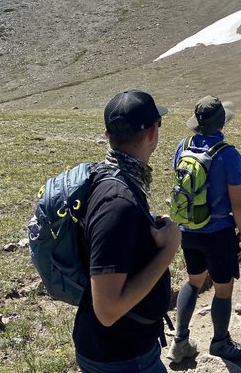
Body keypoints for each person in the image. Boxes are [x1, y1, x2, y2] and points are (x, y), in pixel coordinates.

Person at [73, 89, 181, 373]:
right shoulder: (118, 202)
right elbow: (108, 311)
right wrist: (168, 250)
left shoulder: (114, 180)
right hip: (121, 357)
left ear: (108, 134)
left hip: (121, 349)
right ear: (151, 133)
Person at [168, 95, 241, 363]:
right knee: (223, 288)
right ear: (221, 123)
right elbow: (238, 203)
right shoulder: (228, 154)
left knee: (192, 281)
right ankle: (220, 343)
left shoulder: (182, 147)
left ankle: (180, 341)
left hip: (189, 229)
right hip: (218, 232)